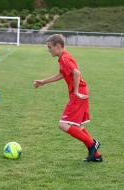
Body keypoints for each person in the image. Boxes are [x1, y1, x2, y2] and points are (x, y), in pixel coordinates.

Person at [34, 34, 102, 162]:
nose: (49, 50)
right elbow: (62, 74)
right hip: (80, 92)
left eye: (50, 47)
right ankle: (97, 155)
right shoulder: (64, 58)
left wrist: (76, 92)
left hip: (79, 93)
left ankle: (92, 143)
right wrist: (44, 81)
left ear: (58, 46)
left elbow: (76, 73)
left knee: (63, 124)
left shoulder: (65, 59)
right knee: (78, 125)